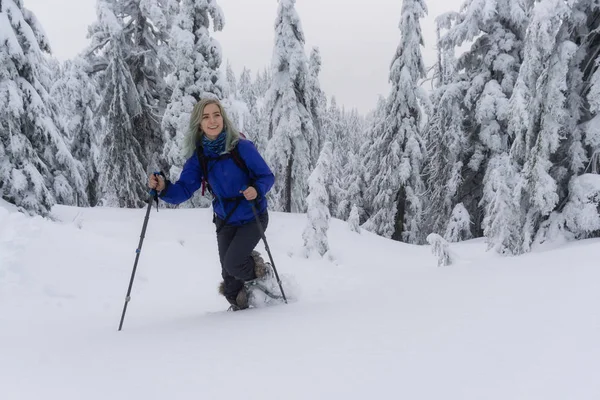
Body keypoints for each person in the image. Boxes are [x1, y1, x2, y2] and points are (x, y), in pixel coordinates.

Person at [148, 98, 275, 311]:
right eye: (206, 117)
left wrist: (256, 189)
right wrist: (163, 188)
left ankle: (264, 273)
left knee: (233, 263)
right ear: (199, 123)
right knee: (232, 288)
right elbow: (184, 189)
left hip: (253, 215)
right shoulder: (200, 157)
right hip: (225, 218)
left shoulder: (241, 147)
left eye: (216, 115)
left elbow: (266, 176)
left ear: (223, 119)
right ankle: (246, 310)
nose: (212, 120)